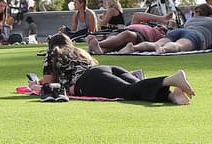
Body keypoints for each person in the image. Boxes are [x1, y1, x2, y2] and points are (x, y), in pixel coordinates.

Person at [40, 33, 195, 105]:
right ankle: (171, 96)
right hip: (104, 70)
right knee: (137, 88)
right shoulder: (79, 52)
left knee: (128, 91)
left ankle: (170, 80)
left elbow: (49, 83)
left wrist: (37, 84)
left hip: (87, 81)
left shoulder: (54, 53)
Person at [122, 2, 212, 54]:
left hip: (180, 30)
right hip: (196, 36)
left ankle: (134, 48)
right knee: (178, 45)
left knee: (156, 43)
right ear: (210, 14)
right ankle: (164, 49)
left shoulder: (190, 21)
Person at [87, 12, 173, 54]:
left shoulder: (163, 35)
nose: (160, 27)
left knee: (126, 35)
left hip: (138, 35)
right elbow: (136, 16)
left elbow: (170, 38)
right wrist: (161, 19)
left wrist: (170, 27)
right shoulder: (146, 26)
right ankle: (99, 50)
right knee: (112, 40)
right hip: (122, 32)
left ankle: (97, 44)